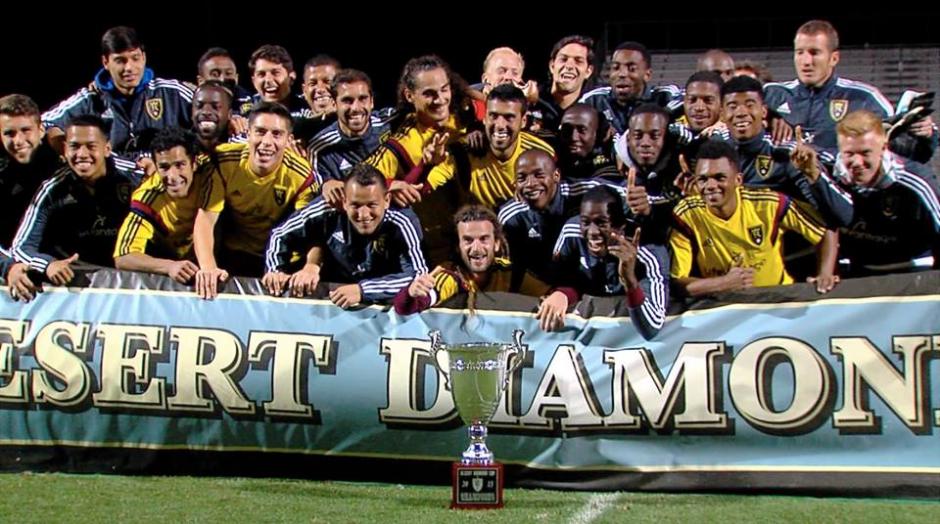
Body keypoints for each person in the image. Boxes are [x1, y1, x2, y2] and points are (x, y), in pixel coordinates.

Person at [669, 141, 838, 296]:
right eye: (703, 179)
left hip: (777, 298)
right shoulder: (686, 214)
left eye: (720, 178)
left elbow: (825, 229)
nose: (711, 186)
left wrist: (825, 273)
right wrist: (723, 283)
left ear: (738, 180)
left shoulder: (768, 204)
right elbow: (676, 282)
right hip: (722, 306)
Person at [193, 102, 317, 297]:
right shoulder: (223, 161)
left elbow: (311, 229)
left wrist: (310, 267)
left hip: (280, 257)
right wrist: (208, 267)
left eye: (276, 134)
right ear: (248, 134)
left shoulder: (302, 175)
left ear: (288, 140)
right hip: (234, 254)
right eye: (260, 132)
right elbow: (206, 218)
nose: (267, 141)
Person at [263, 164, 427, 308]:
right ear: (344, 201)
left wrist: (363, 290)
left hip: (383, 307)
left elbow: (419, 277)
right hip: (331, 298)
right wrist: (275, 271)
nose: (363, 214)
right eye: (355, 205)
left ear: (387, 200)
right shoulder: (326, 208)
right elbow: (279, 235)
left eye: (372, 205)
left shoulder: (403, 222)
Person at [12, 115, 143, 286]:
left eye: (91, 146)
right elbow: (20, 247)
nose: (82, 154)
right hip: (77, 283)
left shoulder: (137, 177)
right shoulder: (52, 189)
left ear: (107, 148)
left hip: (132, 280)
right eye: (74, 146)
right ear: (65, 149)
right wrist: (47, 264)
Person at [42, 26, 193, 157]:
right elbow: (46, 122)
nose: (129, 68)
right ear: (106, 62)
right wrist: (72, 155)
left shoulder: (172, 93)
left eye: (135, 58)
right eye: (120, 61)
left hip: (167, 184)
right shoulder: (91, 99)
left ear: (144, 57)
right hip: (113, 185)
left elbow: (211, 109)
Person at [545, 185, 669, 340]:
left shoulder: (649, 253)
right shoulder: (571, 232)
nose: (592, 232)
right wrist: (563, 293)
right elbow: (564, 279)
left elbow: (652, 328)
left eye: (601, 223)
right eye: (586, 222)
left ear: (620, 227)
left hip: (632, 345)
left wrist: (630, 281)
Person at [832, 110, 940, 276]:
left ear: (883, 148)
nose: (856, 163)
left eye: (865, 153)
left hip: (910, 271)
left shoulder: (916, 181)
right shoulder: (827, 173)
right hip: (856, 271)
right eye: (849, 154)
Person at [394, 204, 547, 314]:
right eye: (468, 240)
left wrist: (561, 297)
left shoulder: (510, 272)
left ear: (497, 244)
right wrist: (410, 293)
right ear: (457, 246)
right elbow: (410, 306)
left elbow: (552, 294)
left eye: (484, 239)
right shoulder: (450, 275)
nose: (476, 248)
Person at [113, 128, 204, 283]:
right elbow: (123, 257)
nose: (172, 176)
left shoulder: (212, 175)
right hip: (174, 262)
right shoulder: (146, 200)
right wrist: (169, 266)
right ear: (155, 166)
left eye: (180, 165)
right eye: (164, 167)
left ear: (194, 163)